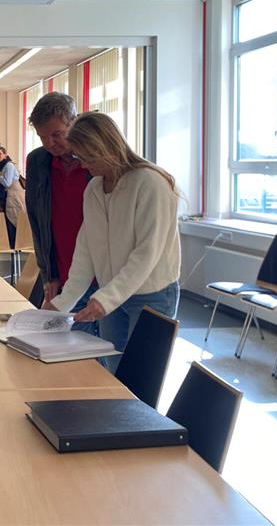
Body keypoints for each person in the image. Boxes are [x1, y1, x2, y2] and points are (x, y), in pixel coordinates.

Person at [46, 112, 181, 372]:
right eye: (79, 157)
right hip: (111, 294)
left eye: (87, 157)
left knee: (141, 376)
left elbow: (146, 254)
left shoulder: (150, 183)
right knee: (113, 372)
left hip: (151, 295)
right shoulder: (95, 189)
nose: (83, 165)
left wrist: (106, 298)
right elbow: (86, 250)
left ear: (104, 148)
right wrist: (62, 302)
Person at [25, 92, 95, 321]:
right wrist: (48, 274)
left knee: (107, 350)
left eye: (57, 135)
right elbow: (37, 222)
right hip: (63, 274)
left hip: (102, 274)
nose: (49, 144)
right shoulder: (38, 162)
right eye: (42, 137)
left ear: (74, 122)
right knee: (71, 347)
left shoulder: (96, 159)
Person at [0, 146, 26, 247]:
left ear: (5, 154)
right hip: (10, 196)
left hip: (14, 197)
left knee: (13, 221)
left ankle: (14, 247)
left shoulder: (8, 166)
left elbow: (7, 183)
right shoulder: (2, 165)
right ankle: (12, 246)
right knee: (10, 221)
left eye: (0, 153)